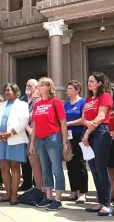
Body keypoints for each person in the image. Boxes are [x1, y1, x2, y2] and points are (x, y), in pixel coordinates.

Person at [29, 77, 69, 211]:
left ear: (48, 87)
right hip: (40, 140)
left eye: (41, 85)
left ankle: (57, 199)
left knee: (57, 169)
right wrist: (32, 143)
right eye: (38, 85)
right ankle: (48, 197)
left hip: (53, 138)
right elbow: (35, 125)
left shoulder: (56, 102)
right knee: (45, 169)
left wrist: (64, 142)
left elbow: (63, 122)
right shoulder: (37, 104)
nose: (38, 87)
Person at [81, 72, 113, 216]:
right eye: (88, 81)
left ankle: (107, 203)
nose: (89, 83)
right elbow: (83, 117)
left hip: (100, 132)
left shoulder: (105, 96)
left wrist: (88, 131)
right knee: (93, 168)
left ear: (99, 83)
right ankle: (100, 201)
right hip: (89, 131)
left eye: (92, 81)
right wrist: (86, 125)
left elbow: (101, 116)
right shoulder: (88, 99)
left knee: (101, 168)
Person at [0, 83, 29, 205]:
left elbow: (24, 121)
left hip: (15, 139)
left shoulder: (22, 104)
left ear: (15, 91)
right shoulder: (1, 105)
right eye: (5, 90)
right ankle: (7, 194)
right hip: (1, 140)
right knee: (3, 167)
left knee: (14, 167)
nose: (7, 92)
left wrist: (10, 133)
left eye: (9, 90)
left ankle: (14, 195)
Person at [64, 80, 88, 204]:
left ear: (77, 90)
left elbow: (83, 119)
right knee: (70, 163)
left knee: (80, 163)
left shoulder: (83, 102)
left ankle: (83, 192)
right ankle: (73, 190)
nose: (68, 90)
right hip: (68, 137)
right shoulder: (66, 105)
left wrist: (68, 123)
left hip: (79, 135)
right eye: (67, 88)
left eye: (70, 88)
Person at [19, 79, 42, 191]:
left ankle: (37, 183)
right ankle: (27, 182)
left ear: (37, 88)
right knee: (25, 159)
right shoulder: (21, 100)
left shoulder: (39, 100)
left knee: (36, 159)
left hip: (36, 133)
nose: (28, 87)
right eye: (27, 85)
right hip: (23, 132)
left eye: (31, 86)